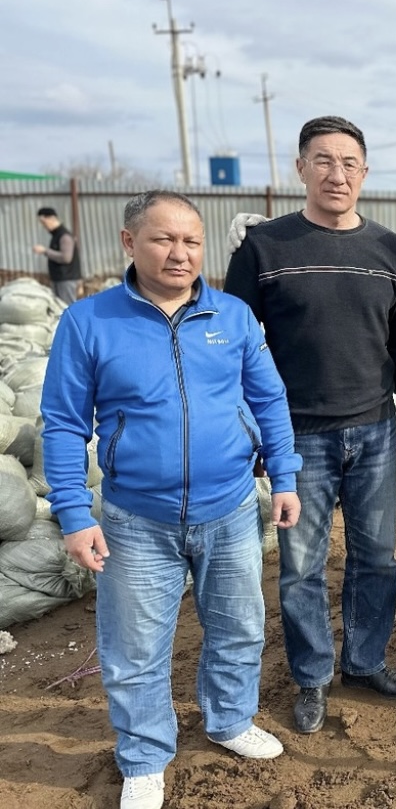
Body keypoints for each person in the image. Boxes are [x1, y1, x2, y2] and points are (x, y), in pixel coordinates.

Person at [40, 190, 303, 809]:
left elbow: (269, 400)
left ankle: (230, 721)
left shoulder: (234, 317)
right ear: (130, 243)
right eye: (164, 239)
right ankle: (143, 758)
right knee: (134, 650)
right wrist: (75, 515)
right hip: (136, 519)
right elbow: (62, 423)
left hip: (232, 509)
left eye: (192, 241)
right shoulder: (89, 321)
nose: (180, 253)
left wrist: (284, 475)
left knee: (239, 629)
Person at [223, 115, 396, 736]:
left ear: (365, 173)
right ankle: (312, 676)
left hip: (374, 429)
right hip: (295, 437)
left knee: (376, 559)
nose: (338, 175)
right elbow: (235, 345)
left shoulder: (391, 252)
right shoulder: (265, 249)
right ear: (301, 167)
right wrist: (255, 434)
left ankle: (364, 661)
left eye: (350, 164)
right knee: (302, 565)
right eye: (324, 161)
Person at [33, 206, 83, 305]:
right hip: (60, 279)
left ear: (52, 218)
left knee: (66, 308)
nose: (44, 226)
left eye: (44, 222)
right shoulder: (57, 235)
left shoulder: (64, 236)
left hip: (66, 280)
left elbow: (66, 258)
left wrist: (45, 251)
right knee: (59, 308)